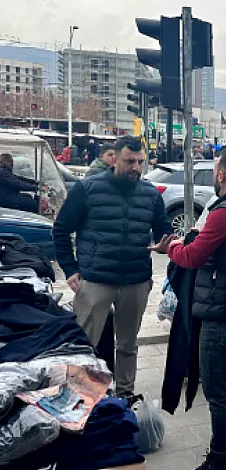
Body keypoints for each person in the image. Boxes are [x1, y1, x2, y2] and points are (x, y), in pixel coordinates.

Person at [149, 151, 226, 470]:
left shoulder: (224, 212)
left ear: (221, 176)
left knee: (218, 390)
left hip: (220, 311)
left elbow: (193, 256)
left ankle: (219, 464)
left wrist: (169, 249)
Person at [52, 136, 172, 397]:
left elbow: (164, 230)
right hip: (96, 280)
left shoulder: (150, 193)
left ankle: (126, 394)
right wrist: (71, 269)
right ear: (114, 158)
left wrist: (166, 244)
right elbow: (61, 230)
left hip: (136, 280)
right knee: (85, 344)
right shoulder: (88, 188)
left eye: (140, 162)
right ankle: (81, 398)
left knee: (128, 344)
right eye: (130, 161)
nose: (136, 167)